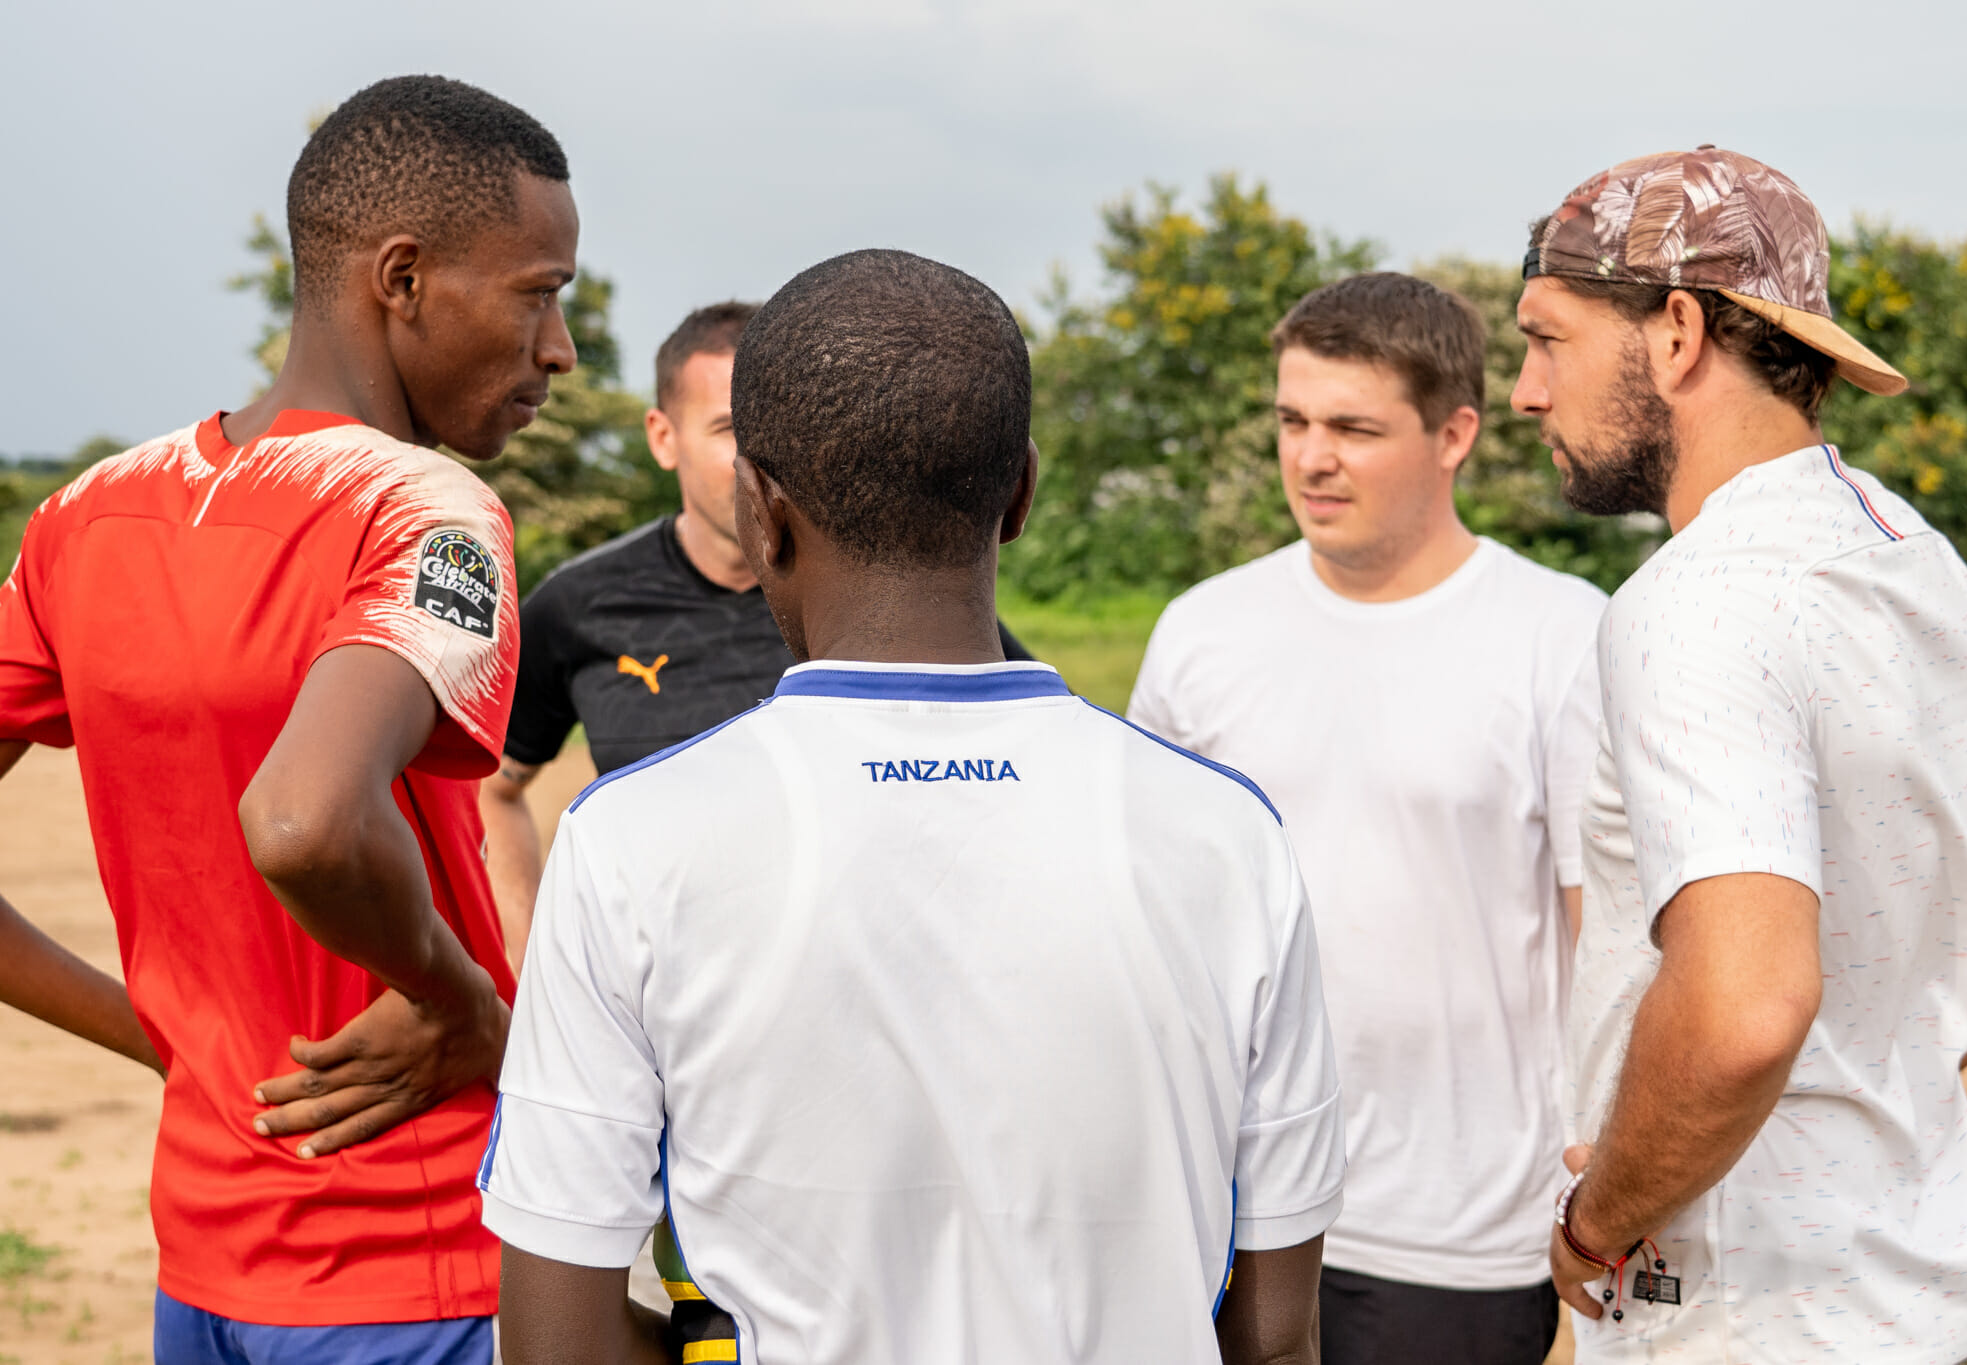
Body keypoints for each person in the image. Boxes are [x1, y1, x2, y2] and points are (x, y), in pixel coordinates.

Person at [478, 248, 1345, 1365]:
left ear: (761, 512)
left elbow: (554, 1347)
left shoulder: (630, 841)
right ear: (1022, 492)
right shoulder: (1228, 834)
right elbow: (1274, 1341)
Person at [0, 75, 577, 1363]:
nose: (560, 351)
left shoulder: (87, 514)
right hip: (411, 1252)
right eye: (539, 294)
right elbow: (305, 821)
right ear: (404, 278)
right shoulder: (423, 511)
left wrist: (166, 1037)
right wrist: (454, 997)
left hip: (202, 1266)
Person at [1516, 146, 1967, 1365]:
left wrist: (1593, 1227)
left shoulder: (1694, 604)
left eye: (1548, 340)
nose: (1528, 391)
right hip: (1939, 1308)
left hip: (1758, 1327)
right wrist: (1902, 1051)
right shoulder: (1903, 548)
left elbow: (1745, 1011)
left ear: (1675, 332)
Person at [1126, 272, 1605, 1364]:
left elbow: (1606, 935)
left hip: (1453, 1230)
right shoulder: (1200, 634)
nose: (1310, 457)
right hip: (1222, 1209)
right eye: (1292, 421)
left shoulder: (1561, 636)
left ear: (1454, 435)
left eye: (1351, 427)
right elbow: (1149, 923)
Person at [480, 302, 1033, 969]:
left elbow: (1023, 751)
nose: (758, 455)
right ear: (663, 437)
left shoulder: (878, 590)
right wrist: (524, 958)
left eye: (776, 428)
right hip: (669, 1001)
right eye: (727, 428)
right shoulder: (580, 604)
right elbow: (495, 783)